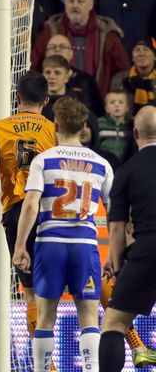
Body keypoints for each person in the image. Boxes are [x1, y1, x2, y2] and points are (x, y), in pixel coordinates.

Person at [12, 97, 113, 371]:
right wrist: (114, 253)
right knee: (89, 316)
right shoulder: (101, 163)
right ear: (83, 127)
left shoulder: (43, 160)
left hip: (50, 244)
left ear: (55, 125)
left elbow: (31, 204)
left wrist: (21, 245)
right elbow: (115, 214)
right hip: (84, 245)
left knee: (46, 316)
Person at [0, 73, 56, 348]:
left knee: (31, 294)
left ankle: (45, 364)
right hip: (49, 211)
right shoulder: (54, 129)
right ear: (46, 100)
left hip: (16, 212)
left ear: (17, 98)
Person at [99, 105, 156, 371]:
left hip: (146, 251)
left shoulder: (127, 170)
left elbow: (118, 226)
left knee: (114, 323)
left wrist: (118, 266)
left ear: (134, 133)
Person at [31, 0, 130, 97]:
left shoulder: (107, 35)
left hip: (95, 102)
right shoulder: (49, 32)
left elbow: (123, 72)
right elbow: (34, 67)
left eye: (80, 1)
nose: (75, 5)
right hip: (54, 101)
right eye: (71, 1)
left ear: (90, 5)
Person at [97, 89, 135, 164]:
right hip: (103, 165)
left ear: (127, 108)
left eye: (121, 102)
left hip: (124, 166)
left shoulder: (131, 126)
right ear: (106, 108)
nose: (116, 105)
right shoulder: (98, 123)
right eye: (112, 102)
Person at [122, 39, 156, 113]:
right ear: (132, 58)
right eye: (137, 50)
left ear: (154, 57)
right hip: (130, 123)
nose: (141, 54)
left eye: (146, 49)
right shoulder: (121, 79)